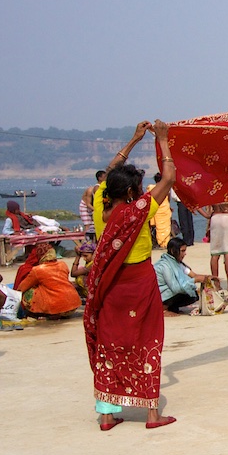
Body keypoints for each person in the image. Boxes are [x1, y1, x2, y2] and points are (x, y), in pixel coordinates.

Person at [84, 119, 177, 431]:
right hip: (140, 284)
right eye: (137, 187)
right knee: (147, 341)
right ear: (131, 192)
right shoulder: (141, 208)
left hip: (110, 286)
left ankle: (107, 415)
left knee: (110, 344)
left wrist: (134, 140)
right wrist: (162, 139)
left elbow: (111, 172)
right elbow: (169, 177)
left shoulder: (100, 202)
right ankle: (152, 414)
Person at [14, 243, 82, 319]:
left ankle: (46, 314)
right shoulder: (63, 264)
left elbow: (21, 288)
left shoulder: (38, 270)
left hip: (57, 308)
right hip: (73, 305)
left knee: (29, 292)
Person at [154, 237, 212, 314]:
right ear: (173, 251)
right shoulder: (165, 265)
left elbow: (193, 275)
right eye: (182, 251)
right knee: (182, 290)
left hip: (170, 292)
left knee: (194, 295)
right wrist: (195, 280)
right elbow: (175, 288)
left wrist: (208, 278)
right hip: (160, 295)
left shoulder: (177, 263)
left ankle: (172, 307)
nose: (185, 254)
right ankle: (163, 309)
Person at [199, 203, 228, 291]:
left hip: (215, 218)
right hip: (226, 217)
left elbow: (197, 202)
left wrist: (206, 215)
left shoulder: (212, 189)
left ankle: (216, 284)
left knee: (215, 253)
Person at [146, 173, 174, 248]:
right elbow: (167, 198)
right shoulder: (165, 188)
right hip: (164, 208)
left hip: (156, 209)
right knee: (166, 226)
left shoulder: (151, 188)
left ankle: (160, 242)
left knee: (158, 226)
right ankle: (165, 243)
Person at [79, 171, 104, 242]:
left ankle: (94, 241)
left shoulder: (102, 188)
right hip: (85, 206)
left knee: (94, 224)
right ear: (99, 178)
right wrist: (97, 210)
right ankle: (86, 242)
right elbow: (88, 204)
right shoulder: (91, 190)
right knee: (87, 225)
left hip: (93, 206)